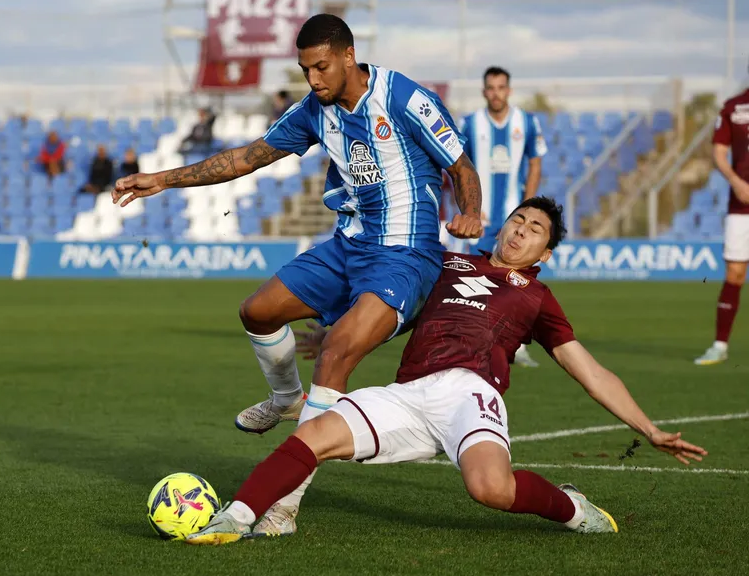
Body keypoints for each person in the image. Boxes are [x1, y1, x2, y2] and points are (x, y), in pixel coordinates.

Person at [113, 12, 483, 529]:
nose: (313, 80)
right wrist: (163, 180)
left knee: (335, 352)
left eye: (321, 68)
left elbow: (461, 165)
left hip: (404, 255)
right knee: (258, 311)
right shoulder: (316, 109)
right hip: (347, 246)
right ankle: (287, 399)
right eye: (306, 70)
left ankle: (285, 504)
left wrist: (470, 213)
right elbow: (248, 158)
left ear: (348, 56)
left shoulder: (404, 99)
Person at [186, 197, 708, 545]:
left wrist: (650, 429)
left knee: (490, 490)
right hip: (408, 391)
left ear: (545, 253)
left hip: (470, 393)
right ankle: (237, 518)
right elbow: (395, 311)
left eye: (535, 231)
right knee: (315, 431)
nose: (520, 232)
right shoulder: (447, 262)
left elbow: (590, 370)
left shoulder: (540, 299)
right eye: (518, 221)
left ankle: (570, 508)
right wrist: (335, 336)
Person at [459, 66, 548, 368]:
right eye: (491, 88)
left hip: (513, 219)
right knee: (478, 279)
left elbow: (535, 165)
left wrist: (527, 210)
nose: (496, 93)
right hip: (480, 220)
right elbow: (458, 167)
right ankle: (474, 342)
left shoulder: (526, 122)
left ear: (508, 90)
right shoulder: (470, 124)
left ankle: (517, 344)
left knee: (517, 282)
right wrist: (468, 206)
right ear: (484, 91)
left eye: (501, 87)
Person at [694, 81, 749, 365]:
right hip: (741, 206)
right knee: (735, 274)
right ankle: (719, 346)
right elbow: (718, 153)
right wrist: (736, 181)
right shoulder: (733, 106)